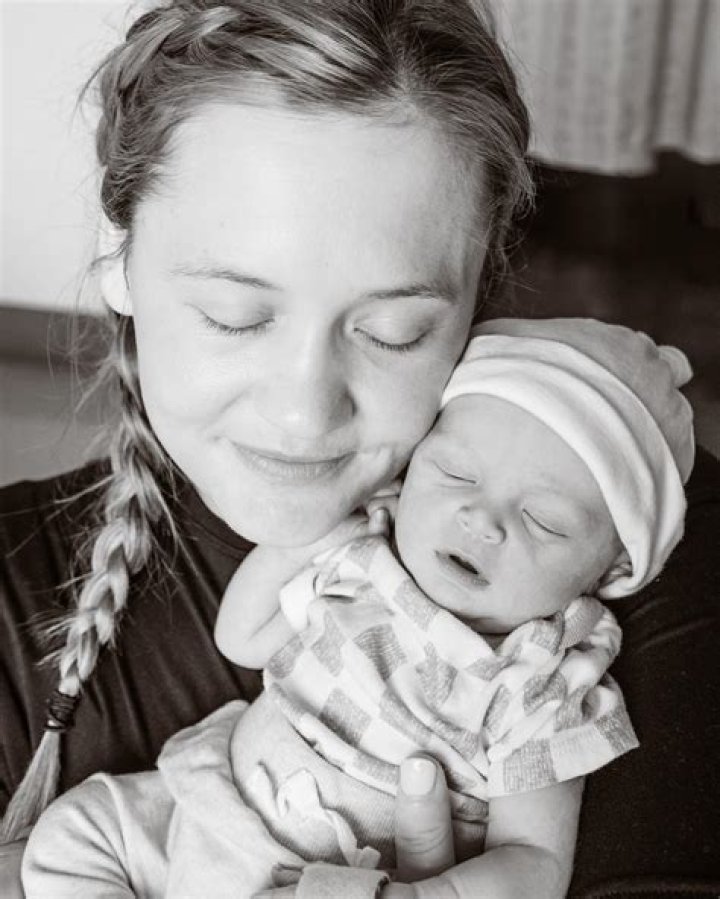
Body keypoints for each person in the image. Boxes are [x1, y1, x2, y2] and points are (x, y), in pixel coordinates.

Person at [1, 0, 719, 896]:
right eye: (235, 315)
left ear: (479, 296)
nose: (306, 416)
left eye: (393, 332)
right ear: (119, 255)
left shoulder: (635, 542)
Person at [20, 316, 695, 898]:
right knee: (72, 834)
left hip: (328, 879)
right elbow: (242, 638)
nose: (481, 521)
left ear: (614, 569)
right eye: (454, 474)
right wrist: (320, 533)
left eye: (543, 520)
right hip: (202, 805)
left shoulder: (539, 682)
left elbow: (535, 860)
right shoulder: (362, 555)